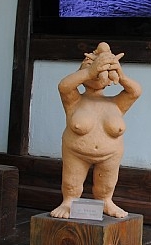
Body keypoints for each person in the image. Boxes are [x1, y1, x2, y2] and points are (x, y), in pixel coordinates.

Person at [49, 42, 142, 219]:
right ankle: (68, 202)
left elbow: (135, 91)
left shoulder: (117, 104)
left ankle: (106, 201)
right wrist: (89, 72)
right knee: (72, 184)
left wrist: (120, 75)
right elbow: (64, 86)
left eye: (102, 69)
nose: (98, 72)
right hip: (76, 152)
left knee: (106, 186)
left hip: (110, 155)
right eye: (91, 66)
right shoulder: (74, 100)